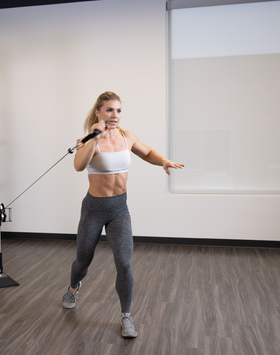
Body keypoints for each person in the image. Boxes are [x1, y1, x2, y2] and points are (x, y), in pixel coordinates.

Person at [61, 91, 184, 338]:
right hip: (94, 209)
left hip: (119, 208)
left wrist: (163, 161)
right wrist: (95, 136)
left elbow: (147, 153)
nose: (114, 115)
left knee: (124, 263)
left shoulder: (127, 137)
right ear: (98, 112)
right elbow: (78, 166)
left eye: (118, 110)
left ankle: (126, 316)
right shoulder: (88, 139)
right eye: (109, 110)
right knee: (83, 260)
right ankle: (73, 288)